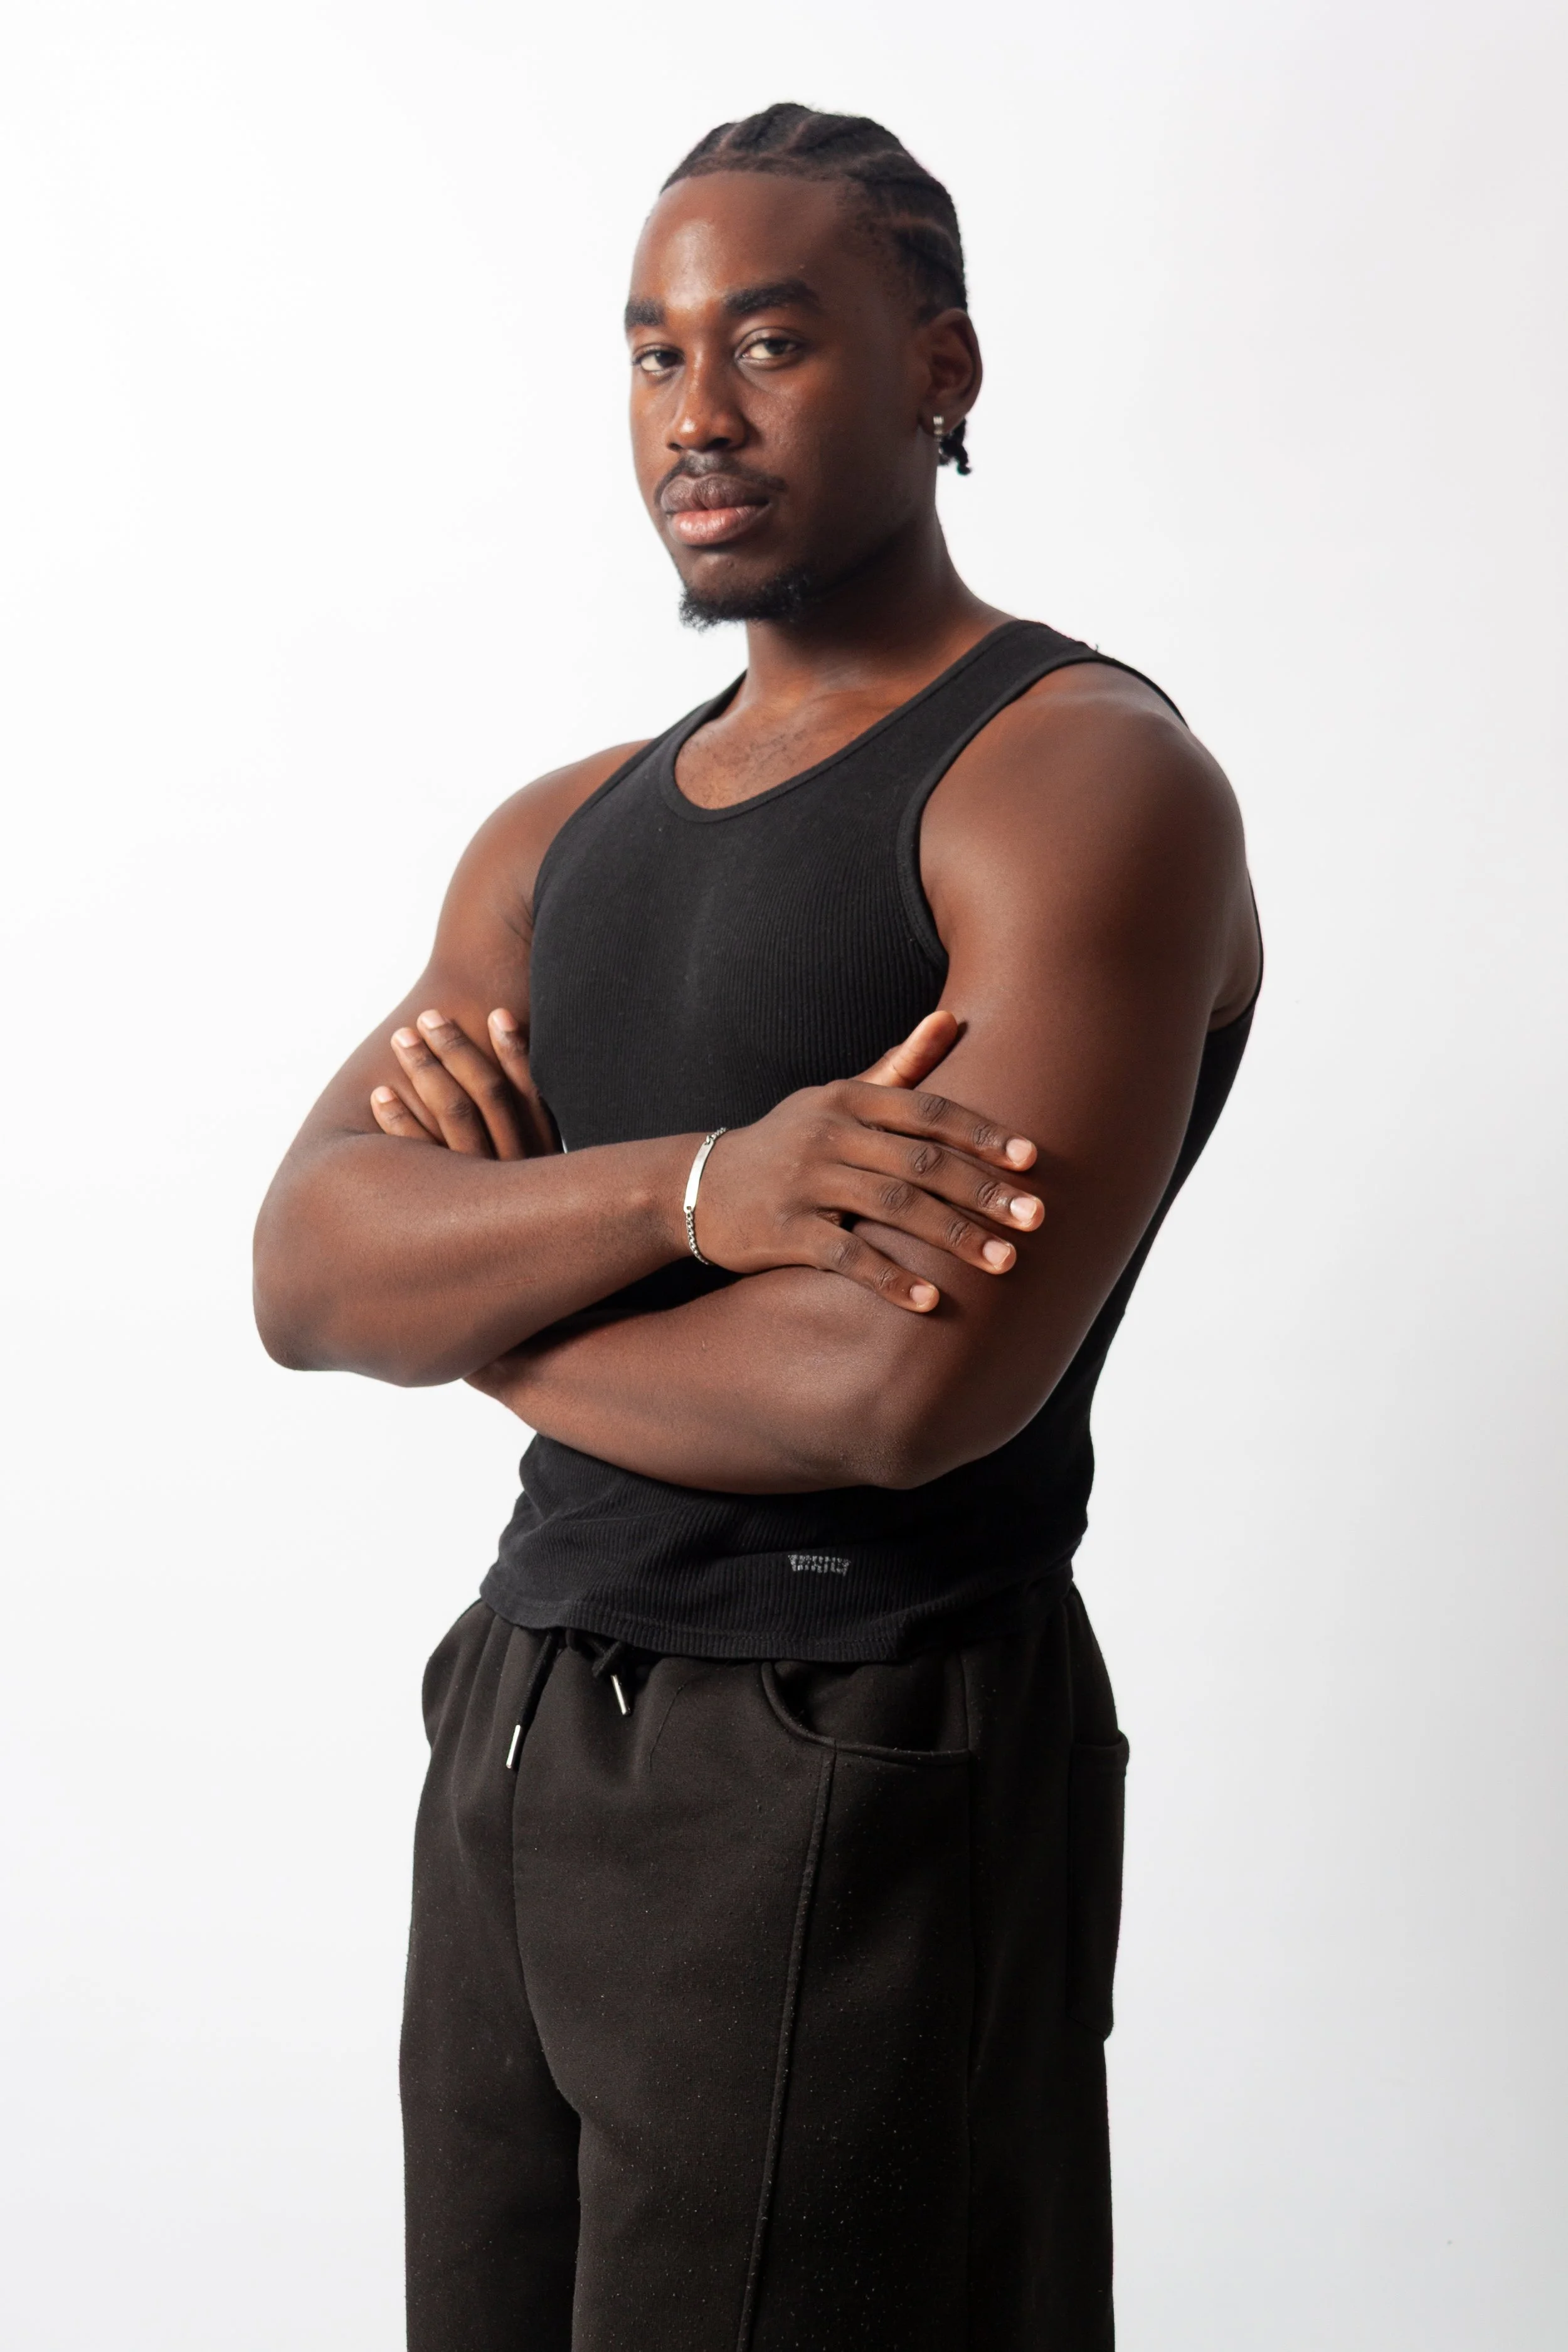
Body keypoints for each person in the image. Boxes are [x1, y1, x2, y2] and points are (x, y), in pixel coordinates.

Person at [255, 101, 1261, 2352]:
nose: (694, 415)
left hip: (850, 1731)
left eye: (773, 343)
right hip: (522, 1720)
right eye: (650, 356)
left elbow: (895, 1384)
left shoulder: (1073, 780)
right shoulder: (559, 835)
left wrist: (490, 1295)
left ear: (942, 370)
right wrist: (697, 1194)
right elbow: (310, 1265)